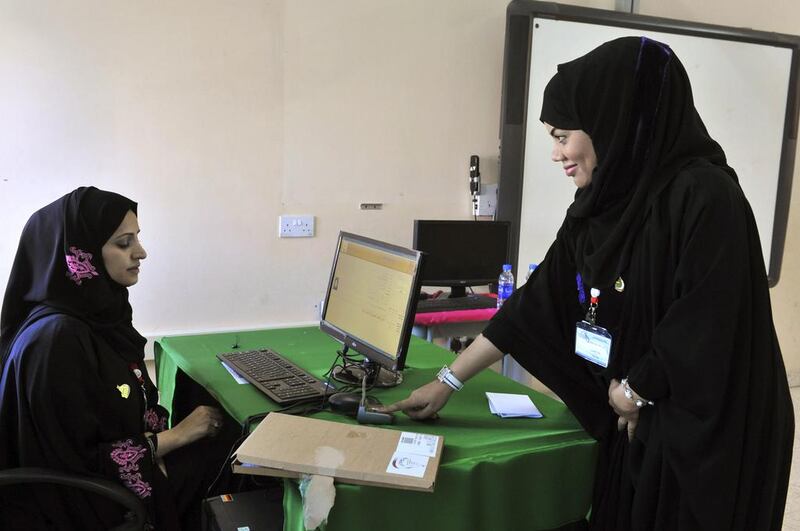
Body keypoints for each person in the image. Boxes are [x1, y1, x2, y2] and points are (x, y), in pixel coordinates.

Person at [383, 37, 794, 530]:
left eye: (562, 136)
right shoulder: (599, 204)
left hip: (708, 432)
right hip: (636, 414)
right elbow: (533, 304)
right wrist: (447, 382)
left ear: (611, 124)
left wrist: (634, 392)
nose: (556, 154)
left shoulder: (704, 195)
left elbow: (706, 320)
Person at [0, 187, 228, 530]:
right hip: (85, 502)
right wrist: (178, 436)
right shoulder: (58, 340)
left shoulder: (94, 317)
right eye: (123, 243)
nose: (141, 252)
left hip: (108, 474)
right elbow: (75, 460)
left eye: (137, 238)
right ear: (81, 255)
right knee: (231, 462)